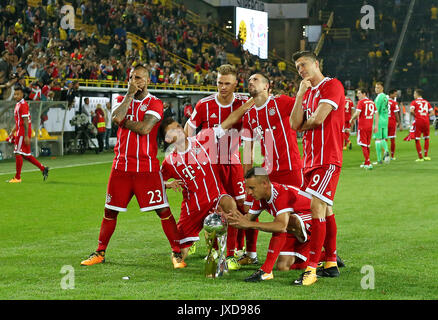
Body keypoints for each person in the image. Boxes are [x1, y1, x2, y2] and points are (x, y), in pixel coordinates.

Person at [80, 65, 185, 269]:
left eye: (137, 77)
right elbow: (115, 117)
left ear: (146, 80)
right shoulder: (122, 100)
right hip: (121, 167)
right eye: (130, 77)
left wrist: (123, 121)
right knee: (110, 211)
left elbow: (145, 128)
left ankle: (177, 253)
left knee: (162, 210)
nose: (133, 81)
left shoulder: (155, 102)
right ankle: (100, 251)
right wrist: (128, 97)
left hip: (146, 168)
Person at [160, 112, 253, 261]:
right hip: (193, 208)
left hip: (216, 196)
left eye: (178, 126)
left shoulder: (203, 138)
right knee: (179, 256)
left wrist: (250, 102)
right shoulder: (169, 162)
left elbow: (229, 120)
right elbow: (153, 183)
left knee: (231, 205)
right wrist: (168, 184)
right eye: (173, 131)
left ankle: (229, 256)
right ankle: (192, 244)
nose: (179, 130)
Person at [184, 64, 250, 270]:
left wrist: (248, 169)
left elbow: (249, 137)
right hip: (210, 165)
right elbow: (189, 131)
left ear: (235, 83)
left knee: (243, 207)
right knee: (216, 207)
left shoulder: (242, 104)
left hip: (233, 162)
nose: (222, 87)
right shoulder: (204, 104)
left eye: (227, 83)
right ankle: (217, 251)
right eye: (219, 82)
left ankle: (241, 249)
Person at [290, 51, 345, 286]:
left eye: (304, 65)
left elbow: (319, 118)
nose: (301, 70)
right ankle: (331, 263)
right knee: (327, 210)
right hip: (311, 160)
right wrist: (300, 94)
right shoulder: (309, 92)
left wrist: (305, 124)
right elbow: (294, 123)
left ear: (316, 63)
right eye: (298, 67)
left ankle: (311, 269)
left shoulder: (332, 85)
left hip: (327, 158)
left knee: (316, 208)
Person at [238, 72, 304, 267]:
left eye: (255, 80)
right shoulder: (249, 116)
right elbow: (248, 150)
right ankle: (250, 254)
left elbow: (304, 111)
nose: (250, 82)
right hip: (268, 173)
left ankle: (321, 251)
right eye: (249, 81)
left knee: (296, 217)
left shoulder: (282, 102)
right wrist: (246, 178)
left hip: (291, 169)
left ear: (268, 86)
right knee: (250, 208)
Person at [224, 167, 312, 282]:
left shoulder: (281, 194)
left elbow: (281, 226)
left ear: (264, 184)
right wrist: (227, 218)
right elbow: (246, 220)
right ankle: (321, 256)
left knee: (284, 223)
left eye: (252, 188)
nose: (249, 192)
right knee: (282, 266)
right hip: (293, 230)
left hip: (311, 220)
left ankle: (265, 271)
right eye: (247, 188)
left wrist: (250, 224)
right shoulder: (260, 197)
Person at [6, 85, 49, 183]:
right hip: (20, 131)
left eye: (18, 94)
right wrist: (12, 132)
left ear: (22, 94)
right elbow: (19, 121)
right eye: (15, 94)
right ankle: (43, 168)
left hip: (22, 132)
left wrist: (25, 135)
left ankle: (17, 177)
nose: (15, 96)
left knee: (17, 152)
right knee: (26, 155)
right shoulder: (18, 104)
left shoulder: (23, 104)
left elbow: (25, 121)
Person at [350, 88, 377, 170]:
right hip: (369, 126)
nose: (357, 95)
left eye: (359, 93)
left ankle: (368, 163)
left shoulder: (361, 102)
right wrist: (376, 125)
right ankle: (366, 162)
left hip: (362, 126)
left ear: (364, 93)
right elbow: (376, 113)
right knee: (367, 145)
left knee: (363, 145)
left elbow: (357, 113)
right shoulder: (372, 102)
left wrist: (352, 119)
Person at [409, 89, 434, 161]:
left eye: (414, 93)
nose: (413, 95)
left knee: (417, 139)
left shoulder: (414, 102)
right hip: (426, 121)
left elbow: (411, 111)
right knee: (426, 138)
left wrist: (417, 116)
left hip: (419, 121)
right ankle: (426, 156)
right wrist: (426, 116)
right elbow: (432, 112)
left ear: (417, 94)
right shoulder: (426, 102)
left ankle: (420, 157)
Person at [373, 82, 391, 165]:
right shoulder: (386, 97)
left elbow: (376, 110)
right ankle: (386, 151)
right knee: (383, 138)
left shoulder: (379, 97)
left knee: (377, 139)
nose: (377, 89)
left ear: (382, 88)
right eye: (376, 87)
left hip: (379, 120)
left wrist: (374, 122)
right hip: (385, 119)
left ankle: (379, 159)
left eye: (378, 87)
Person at [387, 89, 401, 160]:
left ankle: (385, 155)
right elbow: (396, 114)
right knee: (392, 140)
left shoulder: (384, 101)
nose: (396, 95)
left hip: (384, 122)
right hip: (392, 123)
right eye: (395, 94)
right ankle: (392, 156)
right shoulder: (394, 103)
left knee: (384, 139)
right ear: (390, 94)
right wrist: (399, 123)